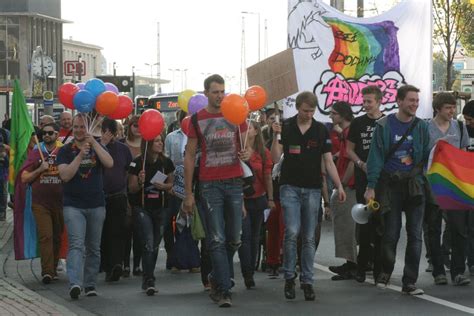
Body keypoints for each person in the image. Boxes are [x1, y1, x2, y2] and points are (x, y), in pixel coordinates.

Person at [271, 91, 346, 301]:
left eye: (312, 111)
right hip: (289, 187)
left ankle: (307, 280)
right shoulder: (285, 127)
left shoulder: (321, 129)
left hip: (313, 187)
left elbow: (329, 161)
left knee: (309, 235)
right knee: (292, 231)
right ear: (297, 108)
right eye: (305, 111)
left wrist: (338, 185)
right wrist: (276, 137)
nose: (309, 114)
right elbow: (276, 157)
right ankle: (289, 277)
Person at [183, 74, 248, 308]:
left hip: (234, 182)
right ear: (206, 93)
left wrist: (247, 153)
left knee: (234, 240)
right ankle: (223, 289)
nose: (220, 96)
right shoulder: (197, 119)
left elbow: (245, 147)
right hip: (210, 185)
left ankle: (215, 276)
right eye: (215, 92)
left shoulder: (235, 113)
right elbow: (189, 156)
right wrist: (188, 193)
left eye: (222, 91)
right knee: (217, 239)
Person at [364, 84, 430, 295]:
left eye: (417, 101)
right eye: (411, 100)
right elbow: (374, 158)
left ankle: (409, 281)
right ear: (399, 101)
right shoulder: (384, 125)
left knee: (415, 235)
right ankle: (385, 272)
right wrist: (371, 187)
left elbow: (428, 156)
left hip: (414, 186)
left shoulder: (421, 126)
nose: (415, 104)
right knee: (390, 234)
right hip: (390, 187)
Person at [57, 113, 114, 299]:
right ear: (72, 129)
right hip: (73, 205)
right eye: (76, 127)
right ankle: (75, 283)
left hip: (96, 204)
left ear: (88, 129)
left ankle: (90, 284)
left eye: (83, 127)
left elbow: (109, 163)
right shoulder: (65, 150)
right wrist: (81, 155)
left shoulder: (97, 147)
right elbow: (65, 175)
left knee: (93, 247)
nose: (80, 130)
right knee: (76, 245)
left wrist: (95, 144)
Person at [427, 93, 471, 286]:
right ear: (438, 108)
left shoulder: (459, 127)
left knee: (459, 229)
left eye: (453, 107)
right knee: (434, 228)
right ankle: (438, 270)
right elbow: (420, 153)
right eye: (448, 108)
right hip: (433, 183)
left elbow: (464, 153)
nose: (452, 111)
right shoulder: (426, 127)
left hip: (455, 184)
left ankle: (458, 271)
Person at [128, 133, 175, 296]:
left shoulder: (166, 162)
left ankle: (148, 276)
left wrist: (164, 187)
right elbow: (132, 188)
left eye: (161, 141)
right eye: (156, 141)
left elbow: (171, 183)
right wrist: (140, 182)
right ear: (148, 143)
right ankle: (149, 279)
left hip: (161, 207)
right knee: (148, 242)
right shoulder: (137, 162)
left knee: (155, 245)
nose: (160, 144)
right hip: (142, 207)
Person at [346, 85, 384, 282]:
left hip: (383, 182)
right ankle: (362, 267)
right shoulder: (358, 123)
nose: (366, 104)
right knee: (365, 224)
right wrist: (360, 163)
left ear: (379, 101)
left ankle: (380, 270)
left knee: (381, 225)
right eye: (364, 101)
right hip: (363, 179)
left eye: (369, 101)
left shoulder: (387, 122)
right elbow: (349, 150)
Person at [21, 123, 63, 283]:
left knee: (57, 236)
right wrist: (39, 169)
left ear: (57, 134)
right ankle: (47, 272)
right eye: (43, 133)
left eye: (50, 133)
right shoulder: (35, 153)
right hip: (40, 203)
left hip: (60, 202)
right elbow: (24, 178)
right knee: (46, 236)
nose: (46, 136)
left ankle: (53, 267)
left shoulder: (63, 151)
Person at [238, 120, 274, 288]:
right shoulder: (238, 151)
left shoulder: (263, 152)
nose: (246, 131)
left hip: (258, 198)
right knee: (244, 237)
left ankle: (251, 269)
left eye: (249, 128)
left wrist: (271, 198)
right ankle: (247, 273)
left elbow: (267, 177)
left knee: (254, 236)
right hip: (241, 200)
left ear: (255, 132)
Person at [326, 101, 357, 280]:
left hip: (348, 184)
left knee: (346, 225)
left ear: (343, 115)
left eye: (334, 113)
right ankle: (350, 262)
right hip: (346, 183)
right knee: (346, 225)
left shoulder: (348, 133)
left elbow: (352, 160)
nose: (331, 116)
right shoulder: (345, 132)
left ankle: (352, 265)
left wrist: (342, 185)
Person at [99, 118, 133, 282]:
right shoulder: (95, 147)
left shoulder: (123, 149)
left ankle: (116, 264)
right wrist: (102, 144)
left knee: (117, 231)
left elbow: (127, 170)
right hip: (100, 196)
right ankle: (106, 266)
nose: (109, 136)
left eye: (112, 132)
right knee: (104, 233)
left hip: (118, 194)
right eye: (106, 132)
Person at [164, 110, 187, 271]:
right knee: (170, 222)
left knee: (187, 223)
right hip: (174, 184)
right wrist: (169, 184)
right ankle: (172, 257)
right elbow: (166, 161)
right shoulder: (171, 137)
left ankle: (186, 257)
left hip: (191, 185)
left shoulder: (198, 136)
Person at [122, 115, 143, 277]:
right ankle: (125, 264)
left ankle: (137, 264)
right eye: (134, 125)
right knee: (126, 228)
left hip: (144, 191)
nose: (137, 128)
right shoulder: (123, 145)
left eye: (140, 125)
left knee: (140, 230)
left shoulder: (148, 144)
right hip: (125, 190)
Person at [462, 100, 474, 274]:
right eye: (466, 119)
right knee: (469, 225)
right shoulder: (462, 130)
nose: (468, 123)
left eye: (471, 119)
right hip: (466, 183)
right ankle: (471, 261)